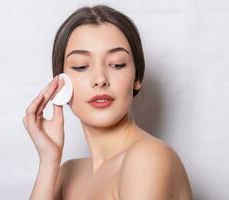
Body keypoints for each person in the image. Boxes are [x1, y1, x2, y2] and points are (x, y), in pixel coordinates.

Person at [22, 4, 193, 200]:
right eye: (81, 66)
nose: (100, 79)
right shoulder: (66, 173)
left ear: (137, 78)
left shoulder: (150, 157)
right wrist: (48, 161)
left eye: (117, 64)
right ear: (61, 85)